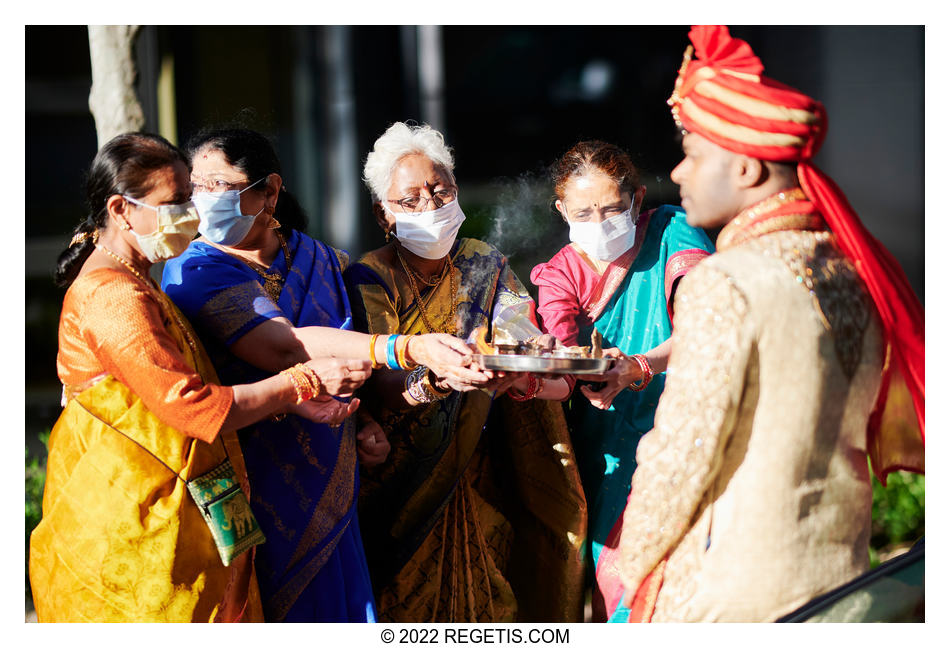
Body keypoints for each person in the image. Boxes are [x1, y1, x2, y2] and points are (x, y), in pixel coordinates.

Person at [616, 25, 925, 622]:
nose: (677, 173)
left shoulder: (726, 281)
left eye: (693, 154)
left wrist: (633, 569)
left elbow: (683, 453)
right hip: (840, 582)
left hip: (733, 591)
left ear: (748, 169)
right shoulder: (854, 270)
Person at [29, 132, 361, 622]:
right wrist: (300, 384)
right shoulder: (112, 296)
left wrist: (296, 400)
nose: (193, 212)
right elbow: (196, 407)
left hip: (175, 511)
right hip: (131, 533)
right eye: (177, 201)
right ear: (121, 210)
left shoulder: (135, 277)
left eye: (193, 195)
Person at [160, 127, 475, 622]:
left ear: (269, 191)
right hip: (252, 478)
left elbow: (357, 373)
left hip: (334, 475)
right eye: (196, 187)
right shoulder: (192, 268)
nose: (206, 201)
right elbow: (286, 345)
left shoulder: (327, 260)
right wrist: (407, 347)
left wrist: (366, 415)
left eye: (222, 187)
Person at [343, 121, 587, 622]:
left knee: (491, 599)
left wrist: (530, 353)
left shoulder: (483, 262)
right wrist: (437, 379)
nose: (430, 207)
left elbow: (520, 332)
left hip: (478, 467)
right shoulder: (369, 276)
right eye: (409, 199)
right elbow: (382, 381)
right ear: (382, 214)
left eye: (441, 191)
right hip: (401, 478)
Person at [529, 140, 713, 621]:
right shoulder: (559, 274)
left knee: (696, 583)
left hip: (690, 431)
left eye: (613, 208)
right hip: (607, 451)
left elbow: (710, 327)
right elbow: (565, 365)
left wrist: (641, 365)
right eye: (583, 212)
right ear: (561, 210)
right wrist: (522, 378)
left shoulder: (675, 232)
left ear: (637, 198)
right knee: (626, 589)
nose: (600, 223)